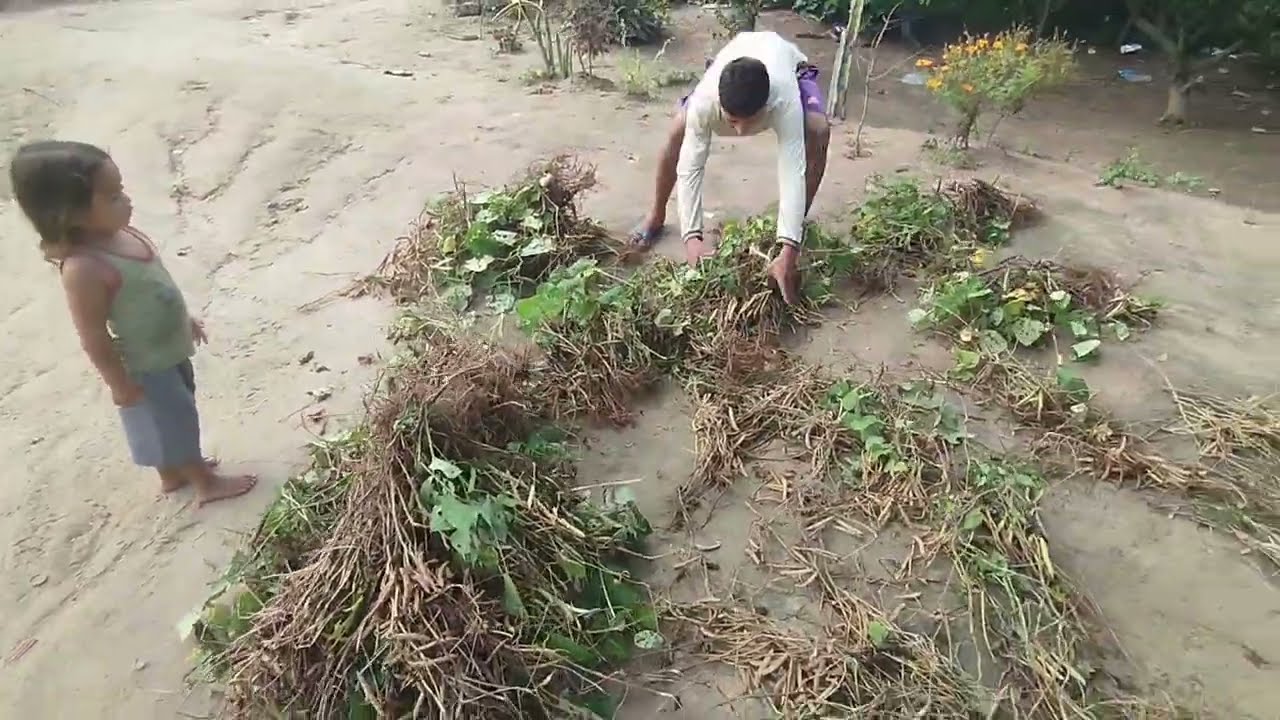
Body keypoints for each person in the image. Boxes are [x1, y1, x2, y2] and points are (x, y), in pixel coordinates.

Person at [9, 140, 256, 506]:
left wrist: (183, 319)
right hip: (145, 363)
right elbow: (92, 335)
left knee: (177, 405)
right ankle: (204, 482)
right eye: (112, 197)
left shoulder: (123, 235)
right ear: (70, 214)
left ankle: (172, 474)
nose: (126, 201)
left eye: (121, 191)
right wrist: (119, 383)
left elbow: (155, 287)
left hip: (168, 346)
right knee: (176, 418)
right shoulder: (83, 268)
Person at [629, 30, 831, 304]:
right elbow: (691, 167)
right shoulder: (706, 101)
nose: (741, 131)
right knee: (678, 129)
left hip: (788, 64)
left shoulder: (784, 98)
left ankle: (792, 232)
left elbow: (792, 169)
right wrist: (692, 238)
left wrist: (789, 250)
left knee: (818, 130)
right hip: (733, 63)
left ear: (767, 106)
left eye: (750, 121)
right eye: (732, 121)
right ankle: (656, 215)